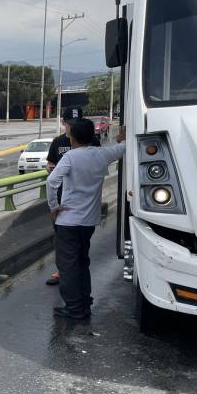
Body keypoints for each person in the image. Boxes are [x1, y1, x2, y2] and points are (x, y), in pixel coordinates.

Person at [46, 118, 126, 319]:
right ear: (94, 136)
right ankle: (84, 302)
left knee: (68, 266)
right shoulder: (102, 154)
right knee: (82, 262)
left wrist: (54, 207)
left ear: (72, 138)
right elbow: (123, 148)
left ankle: (74, 307)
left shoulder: (71, 157)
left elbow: (52, 180)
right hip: (89, 221)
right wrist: (123, 137)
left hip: (68, 221)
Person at [44, 107, 84, 286]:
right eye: (70, 124)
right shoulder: (57, 142)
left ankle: (78, 269)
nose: (73, 128)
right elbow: (50, 162)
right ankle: (62, 270)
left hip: (82, 198)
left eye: (77, 124)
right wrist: (50, 168)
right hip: (62, 198)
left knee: (81, 237)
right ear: (63, 123)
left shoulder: (90, 142)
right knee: (61, 236)